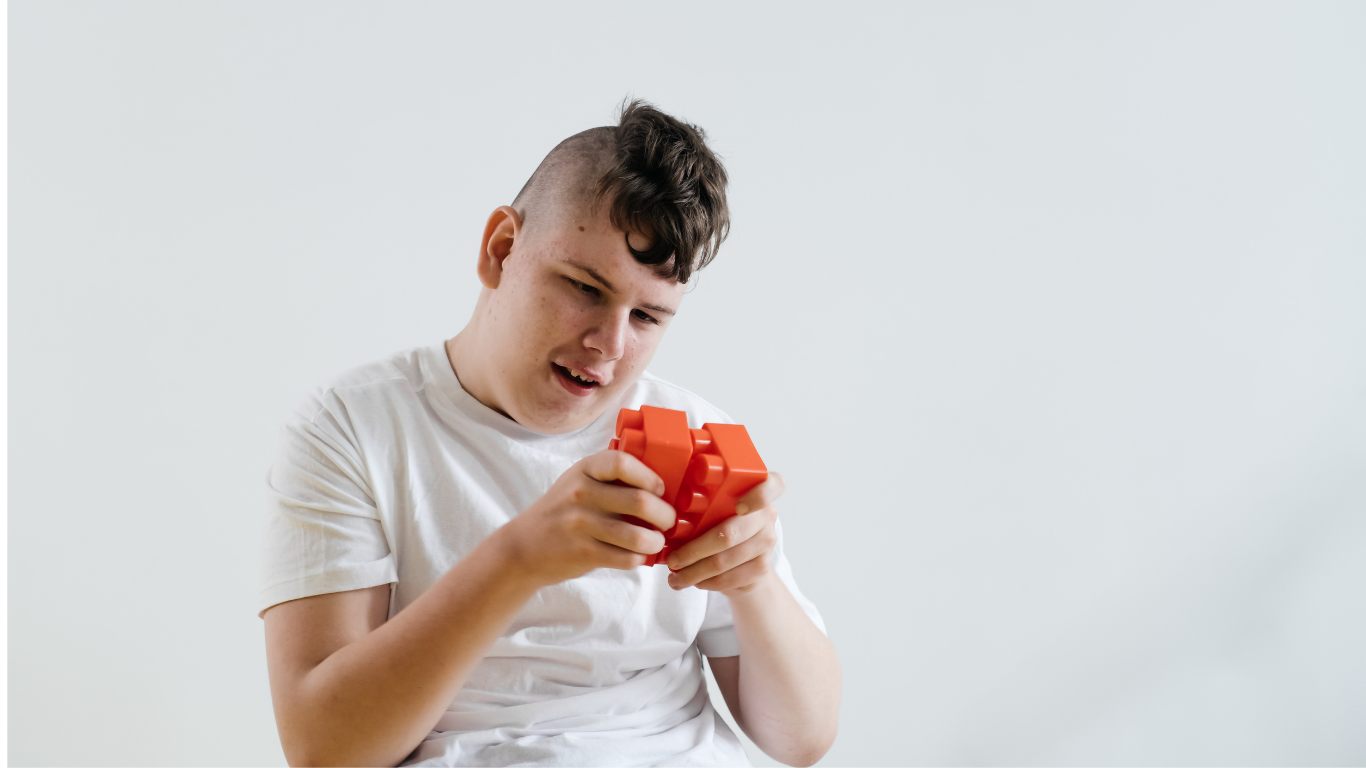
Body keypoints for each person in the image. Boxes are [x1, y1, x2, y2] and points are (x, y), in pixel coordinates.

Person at [259, 100, 841, 767]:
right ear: (501, 250)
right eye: (583, 288)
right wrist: (520, 558)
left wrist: (755, 582)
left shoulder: (698, 433)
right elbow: (324, 748)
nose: (609, 345)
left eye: (648, 318)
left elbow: (802, 740)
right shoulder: (349, 428)